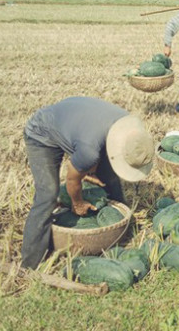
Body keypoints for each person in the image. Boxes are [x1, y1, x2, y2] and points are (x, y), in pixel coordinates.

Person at [21, 96, 154, 269]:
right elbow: (72, 178)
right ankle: (29, 264)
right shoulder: (90, 151)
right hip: (41, 133)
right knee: (47, 194)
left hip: (74, 123)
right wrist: (77, 202)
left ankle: (119, 230)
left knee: (109, 176)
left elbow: (98, 143)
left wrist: (91, 168)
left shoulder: (125, 124)